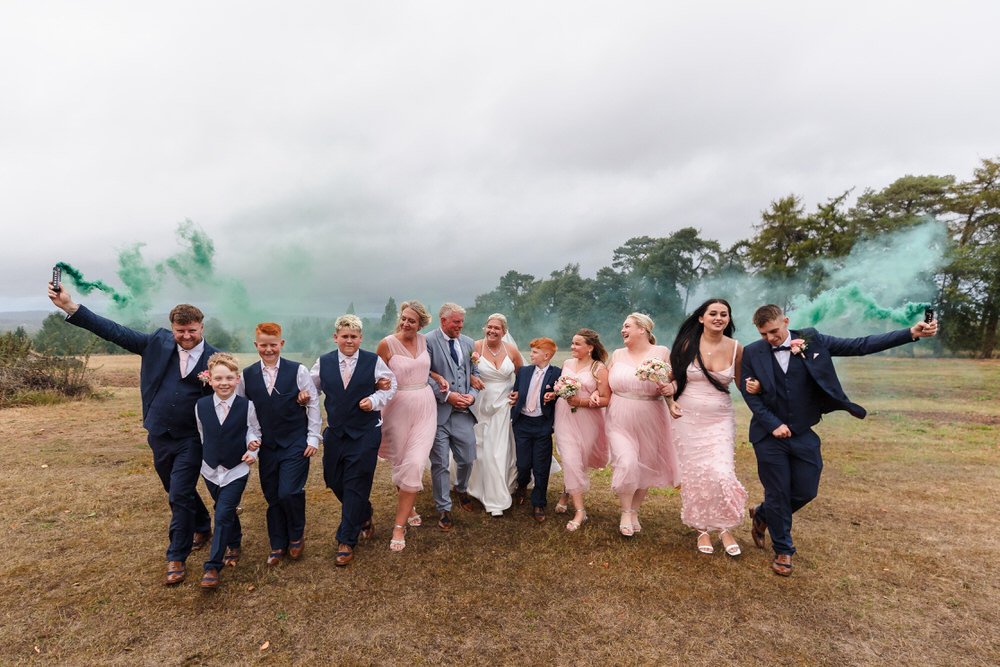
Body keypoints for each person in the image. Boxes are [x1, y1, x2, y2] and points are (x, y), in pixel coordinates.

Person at [739, 304, 938, 576]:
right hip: (767, 436)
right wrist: (773, 425)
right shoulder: (752, 352)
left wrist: (910, 333)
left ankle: (763, 513)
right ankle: (784, 550)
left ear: (785, 321)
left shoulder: (811, 339)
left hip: (803, 432)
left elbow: (861, 345)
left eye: (774, 332)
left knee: (806, 490)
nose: (770, 339)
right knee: (778, 492)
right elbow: (749, 393)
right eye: (764, 334)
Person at [47, 283, 215, 586]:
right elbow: (114, 331)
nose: (186, 336)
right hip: (159, 433)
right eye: (180, 331)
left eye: (192, 330)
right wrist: (70, 307)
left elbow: (233, 393)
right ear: (172, 328)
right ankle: (202, 524)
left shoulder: (215, 359)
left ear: (201, 326)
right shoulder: (157, 343)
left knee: (178, 495)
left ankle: (176, 557)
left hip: (192, 436)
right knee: (175, 488)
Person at [310, 315, 397, 567]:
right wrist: (305, 396)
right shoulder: (323, 362)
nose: (349, 340)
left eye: (354, 336)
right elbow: (312, 387)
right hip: (336, 432)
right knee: (334, 480)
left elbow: (390, 386)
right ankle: (364, 514)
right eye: (344, 336)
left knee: (357, 482)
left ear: (360, 338)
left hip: (365, 432)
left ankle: (346, 540)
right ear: (335, 337)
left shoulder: (373, 361)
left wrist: (374, 401)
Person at [668, 299, 748, 557]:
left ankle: (724, 526)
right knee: (697, 475)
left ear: (728, 319)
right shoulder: (687, 345)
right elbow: (670, 381)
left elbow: (743, 383)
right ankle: (702, 528)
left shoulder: (737, 348)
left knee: (721, 472)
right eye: (713, 313)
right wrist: (669, 401)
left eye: (724, 314)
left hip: (719, 418)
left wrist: (755, 386)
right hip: (688, 419)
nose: (718, 318)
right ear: (701, 318)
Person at [239, 322, 321, 567]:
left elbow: (314, 403)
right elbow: (243, 411)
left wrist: (313, 437)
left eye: (273, 345)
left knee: (290, 491)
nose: (268, 350)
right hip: (267, 445)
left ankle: (296, 535)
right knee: (273, 495)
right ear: (256, 345)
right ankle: (277, 543)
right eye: (263, 345)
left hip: (295, 442)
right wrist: (250, 441)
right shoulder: (247, 375)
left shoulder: (298, 371)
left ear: (281, 344)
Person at [605, 313, 681, 537]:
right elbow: (604, 387)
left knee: (644, 466)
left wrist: (672, 395)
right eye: (622, 326)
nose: (622, 330)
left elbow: (676, 380)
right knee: (627, 462)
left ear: (642, 330)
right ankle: (625, 511)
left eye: (626, 326)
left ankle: (634, 510)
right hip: (619, 417)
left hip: (651, 417)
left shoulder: (661, 353)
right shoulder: (617, 355)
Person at [376, 300, 439, 552]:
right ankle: (409, 504)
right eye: (403, 318)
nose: (405, 323)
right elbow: (375, 374)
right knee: (402, 461)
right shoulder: (386, 343)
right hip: (397, 407)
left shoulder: (424, 341)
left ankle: (398, 526)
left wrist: (436, 376)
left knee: (415, 463)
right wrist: (378, 386)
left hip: (425, 404)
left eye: (411, 320)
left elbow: (425, 367)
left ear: (420, 323)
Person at [195, 353, 261, 589]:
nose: (224, 383)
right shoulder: (200, 406)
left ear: (237, 380)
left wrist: (252, 450)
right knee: (225, 509)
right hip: (210, 469)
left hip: (236, 469)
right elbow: (203, 435)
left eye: (229, 378)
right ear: (210, 380)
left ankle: (212, 567)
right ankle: (235, 542)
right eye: (218, 378)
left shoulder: (247, 406)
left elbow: (254, 431)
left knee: (222, 513)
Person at [425, 303, 482, 530]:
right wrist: (447, 396)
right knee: (439, 463)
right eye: (456, 322)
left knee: (467, 458)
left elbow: (475, 374)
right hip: (438, 413)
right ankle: (444, 509)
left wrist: (472, 395)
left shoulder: (469, 343)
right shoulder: (428, 341)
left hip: (462, 414)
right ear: (443, 321)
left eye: (461, 322)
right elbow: (424, 373)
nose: (460, 325)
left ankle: (461, 488)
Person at [552, 328, 610, 532]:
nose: (572, 347)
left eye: (577, 344)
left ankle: (566, 493)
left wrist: (581, 401)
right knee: (570, 459)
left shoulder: (598, 368)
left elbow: (605, 399)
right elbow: (560, 387)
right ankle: (580, 511)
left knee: (579, 460)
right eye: (572, 343)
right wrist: (555, 394)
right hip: (564, 416)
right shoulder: (567, 364)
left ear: (590, 347)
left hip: (588, 420)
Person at [467, 313, 523, 516]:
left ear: (504, 331)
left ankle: (498, 496)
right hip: (481, 404)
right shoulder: (475, 346)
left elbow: (521, 374)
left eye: (496, 328)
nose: (491, 330)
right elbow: (464, 370)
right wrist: (472, 378)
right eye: (489, 326)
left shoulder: (512, 350)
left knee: (499, 449)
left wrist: (518, 392)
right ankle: (480, 488)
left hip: (505, 405)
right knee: (482, 449)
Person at [510, 338, 561, 523]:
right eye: (531, 351)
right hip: (522, 423)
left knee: (541, 466)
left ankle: (539, 502)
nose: (530, 354)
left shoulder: (557, 373)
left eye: (534, 352)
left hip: (542, 424)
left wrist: (554, 394)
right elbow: (517, 392)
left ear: (546, 355)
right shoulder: (524, 372)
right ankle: (522, 485)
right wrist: (515, 397)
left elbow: (562, 393)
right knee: (523, 464)